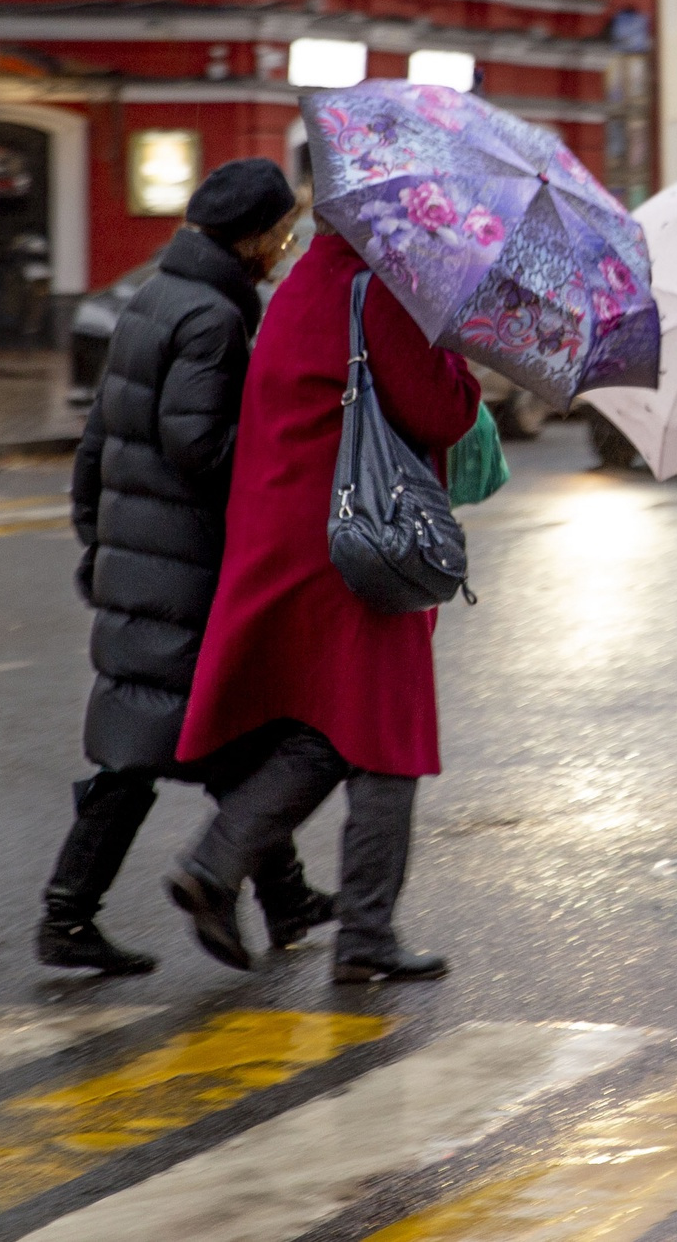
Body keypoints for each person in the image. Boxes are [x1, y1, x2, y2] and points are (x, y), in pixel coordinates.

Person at [37, 158, 337, 974]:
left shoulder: (158, 298)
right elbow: (200, 445)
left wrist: (96, 537)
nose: (287, 246)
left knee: (208, 734)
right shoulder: (212, 317)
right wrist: (283, 452)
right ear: (257, 236)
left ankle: (286, 897)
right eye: (284, 232)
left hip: (142, 556)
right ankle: (70, 916)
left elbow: (100, 435)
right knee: (190, 739)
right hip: (181, 564)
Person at [166, 227, 480, 984]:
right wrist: (459, 356)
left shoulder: (311, 280)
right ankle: (366, 934)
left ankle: (216, 861)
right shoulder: (384, 291)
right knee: (386, 736)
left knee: (333, 728)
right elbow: (442, 411)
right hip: (357, 544)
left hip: (292, 528)